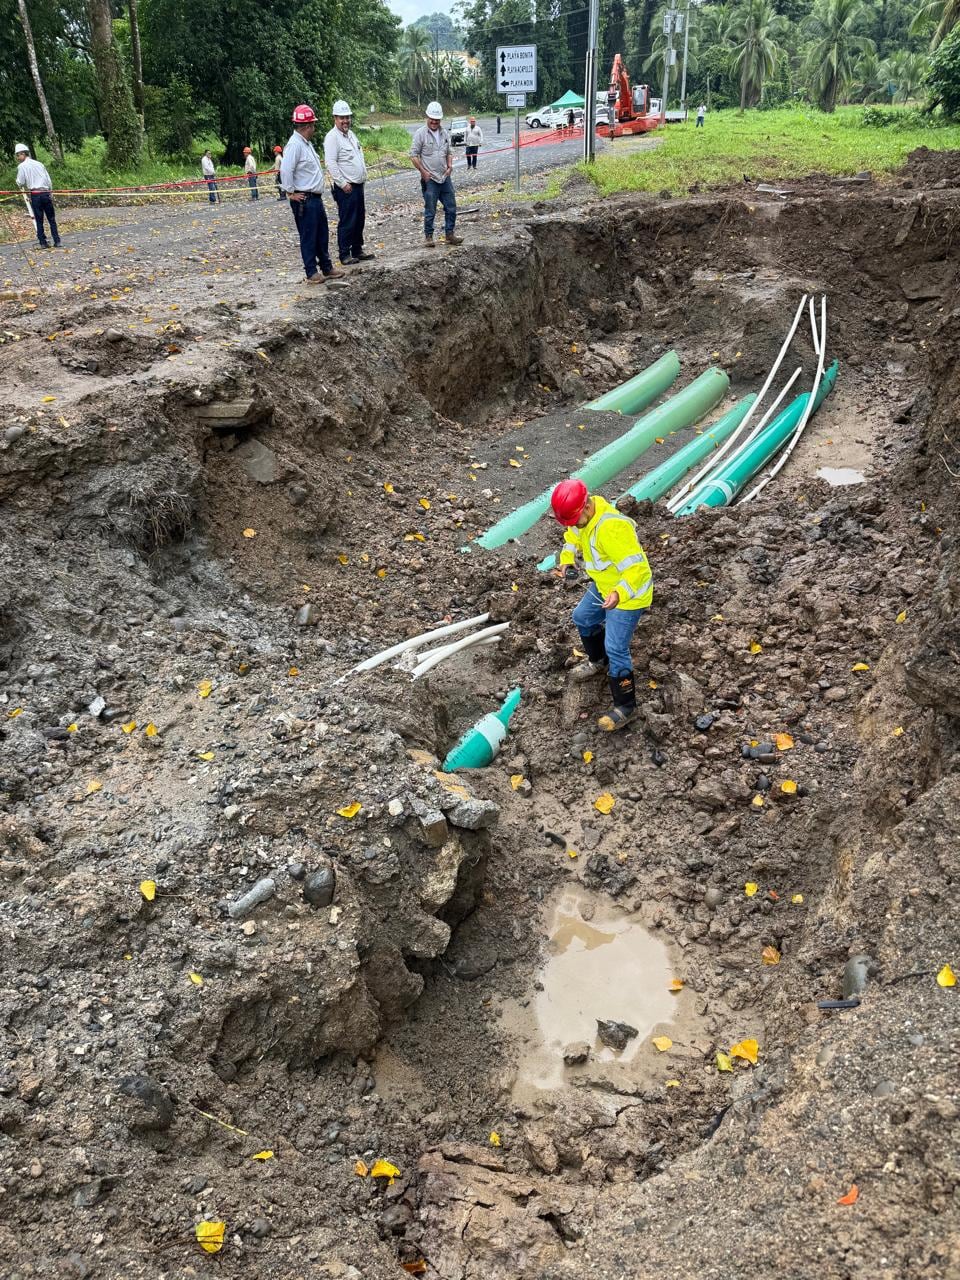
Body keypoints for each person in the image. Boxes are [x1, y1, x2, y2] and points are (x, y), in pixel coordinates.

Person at [550, 478, 653, 731]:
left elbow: (639, 570)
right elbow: (571, 538)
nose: (572, 525)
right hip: (604, 585)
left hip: (629, 593)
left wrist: (619, 593)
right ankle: (599, 661)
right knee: (582, 617)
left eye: (574, 520)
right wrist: (567, 561)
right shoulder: (582, 520)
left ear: (585, 507)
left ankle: (626, 706)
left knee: (616, 646)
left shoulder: (612, 529)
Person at [279, 104, 344, 285]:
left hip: (314, 197)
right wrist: (290, 192)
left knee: (321, 233)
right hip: (304, 198)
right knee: (309, 236)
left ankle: (326, 267)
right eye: (313, 125)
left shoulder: (305, 144)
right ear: (307, 126)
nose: (314, 129)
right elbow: (285, 170)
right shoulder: (294, 146)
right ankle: (311, 271)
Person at [323, 100, 375, 267]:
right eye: (341, 118)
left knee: (359, 218)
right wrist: (342, 183)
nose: (345, 121)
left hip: (358, 185)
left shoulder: (351, 135)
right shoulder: (332, 138)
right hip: (346, 187)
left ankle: (357, 249)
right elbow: (331, 163)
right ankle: (344, 253)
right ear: (335, 118)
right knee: (348, 220)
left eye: (347, 118)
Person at [409, 102, 462, 250]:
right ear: (427, 117)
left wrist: (450, 166)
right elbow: (413, 155)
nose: (434, 122)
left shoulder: (444, 133)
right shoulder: (420, 134)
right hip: (430, 179)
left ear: (440, 120)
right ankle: (428, 237)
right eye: (432, 119)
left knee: (451, 206)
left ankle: (450, 233)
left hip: (444, 177)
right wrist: (423, 172)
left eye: (437, 120)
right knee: (430, 209)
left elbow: (449, 151)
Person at [14, 143, 60, 248]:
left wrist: (18, 182)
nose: (17, 157)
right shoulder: (39, 164)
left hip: (35, 195)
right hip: (45, 193)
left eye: (18, 155)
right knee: (51, 219)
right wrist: (50, 192)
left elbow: (20, 181)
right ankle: (57, 241)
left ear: (23, 154)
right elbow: (48, 179)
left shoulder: (22, 166)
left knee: (39, 219)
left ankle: (43, 243)